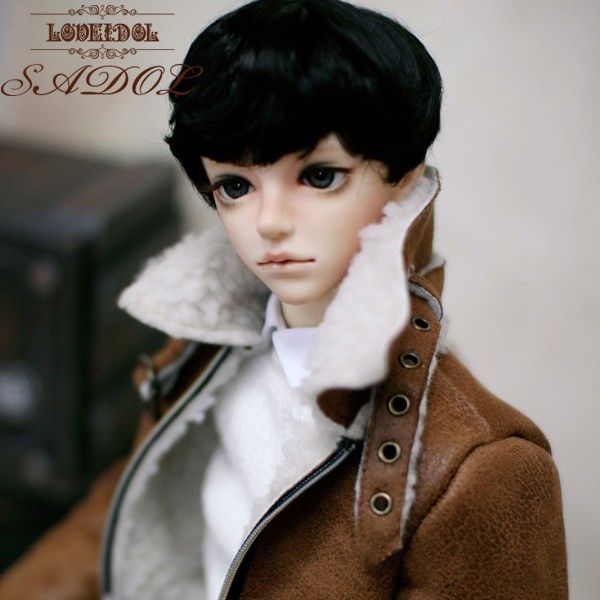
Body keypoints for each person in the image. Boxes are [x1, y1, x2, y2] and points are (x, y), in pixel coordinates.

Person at [0, 1, 568, 598]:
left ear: (404, 179)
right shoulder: (207, 349)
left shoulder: (481, 468)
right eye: (235, 186)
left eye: (320, 176)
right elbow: (125, 517)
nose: (270, 222)